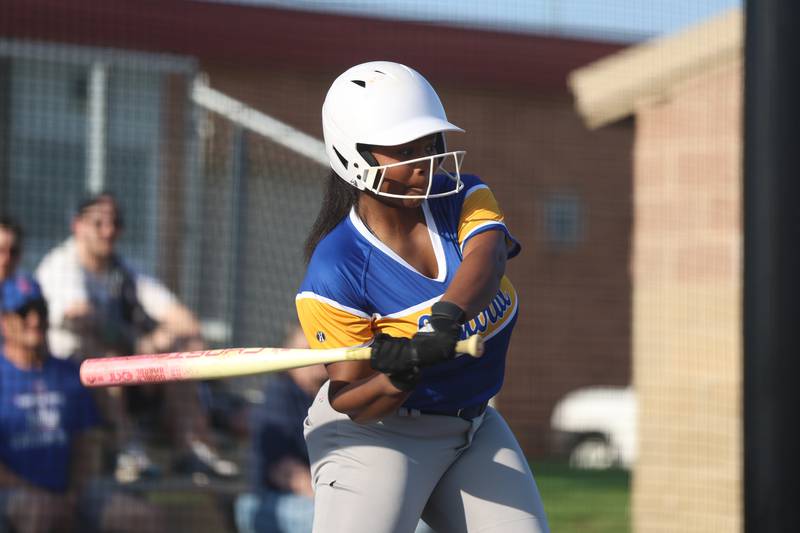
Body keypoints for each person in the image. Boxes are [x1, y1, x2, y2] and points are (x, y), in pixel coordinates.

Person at [295, 61, 549, 533]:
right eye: (405, 151)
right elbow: (351, 397)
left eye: (430, 144)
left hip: (473, 426)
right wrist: (400, 374)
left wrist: (444, 320)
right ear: (355, 158)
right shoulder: (335, 268)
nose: (426, 163)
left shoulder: (464, 196)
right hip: (377, 438)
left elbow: (488, 260)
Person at [35, 193, 237, 483]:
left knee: (181, 350)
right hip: (73, 377)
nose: (109, 230)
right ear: (77, 225)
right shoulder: (62, 265)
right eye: (99, 223)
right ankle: (126, 450)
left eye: (115, 223)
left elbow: (186, 322)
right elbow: (81, 318)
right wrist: (139, 343)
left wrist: (160, 341)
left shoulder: (124, 269)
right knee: (106, 358)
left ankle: (190, 449)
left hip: (131, 377)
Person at [0, 273, 165, 533]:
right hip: (12, 493)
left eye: (40, 310)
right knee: (38, 512)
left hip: (73, 491)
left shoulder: (69, 372)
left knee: (143, 517)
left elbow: (86, 443)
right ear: (4, 321)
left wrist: (72, 494)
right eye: (23, 312)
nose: (34, 320)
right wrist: (38, 496)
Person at [234, 326, 327, 533]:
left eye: (320, 348)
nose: (317, 356)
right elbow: (284, 472)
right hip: (267, 501)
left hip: (308, 497)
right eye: (308, 349)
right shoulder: (280, 392)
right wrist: (333, 500)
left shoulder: (327, 396)